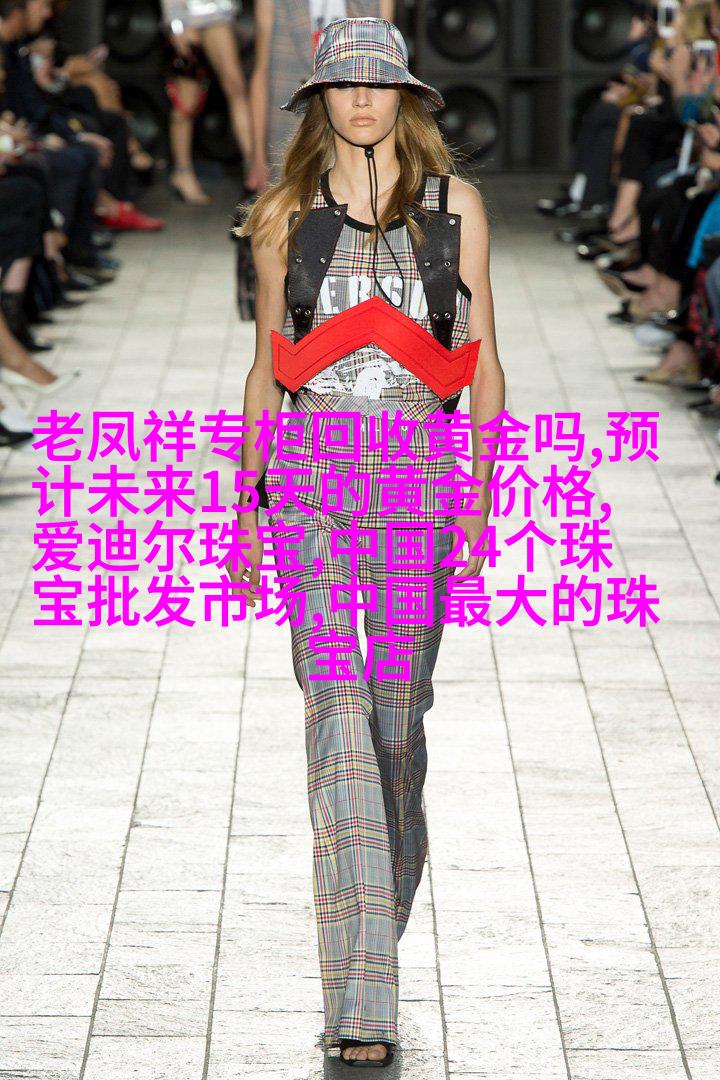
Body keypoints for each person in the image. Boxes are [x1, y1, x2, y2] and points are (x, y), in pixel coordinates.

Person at [230, 16, 505, 1067]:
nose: (359, 100)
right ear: (317, 102)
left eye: (377, 84)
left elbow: (483, 356)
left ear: (405, 98)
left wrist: (479, 495)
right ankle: (362, 1000)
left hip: (421, 478)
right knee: (336, 717)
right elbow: (269, 366)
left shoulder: (454, 208)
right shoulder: (284, 213)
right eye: (341, 85)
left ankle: (370, 935)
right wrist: (246, 506)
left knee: (395, 726)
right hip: (310, 477)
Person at [248, 0, 394, 191]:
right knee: (288, 203)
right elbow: (262, 72)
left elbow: (389, 67)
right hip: (288, 127)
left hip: (355, 122)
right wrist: (257, 156)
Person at [159, 0, 257, 204]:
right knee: (186, 100)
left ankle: (253, 168)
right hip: (186, 16)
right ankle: (182, 172)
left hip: (219, 14)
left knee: (236, 86)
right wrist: (175, 23)